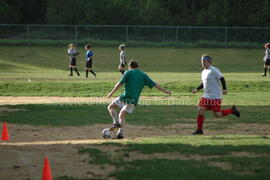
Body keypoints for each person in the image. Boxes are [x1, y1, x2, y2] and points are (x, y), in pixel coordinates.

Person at [107, 60, 171, 139]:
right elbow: (154, 84)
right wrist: (166, 91)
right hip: (134, 100)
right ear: (137, 67)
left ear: (130, 67)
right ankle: (120, 133)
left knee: (111, 107)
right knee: (122, 115)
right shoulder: (143, 75)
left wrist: (111, 93)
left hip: (126, 97)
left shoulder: (128, 72)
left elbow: (120, 83)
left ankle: (115, 122)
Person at [191, 54, 240, 135]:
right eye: (202, 61)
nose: (203, 63)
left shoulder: (214, 70)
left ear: (209, 62)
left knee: (218, 114)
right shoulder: (203, 72)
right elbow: (204, 83)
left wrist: (224, 89)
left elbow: (222, 78)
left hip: (215, 97)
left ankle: (232, 110)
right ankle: (199, 130)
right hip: (206, 96)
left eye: (204, 61)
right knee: (200, 110)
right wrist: (197, 89)